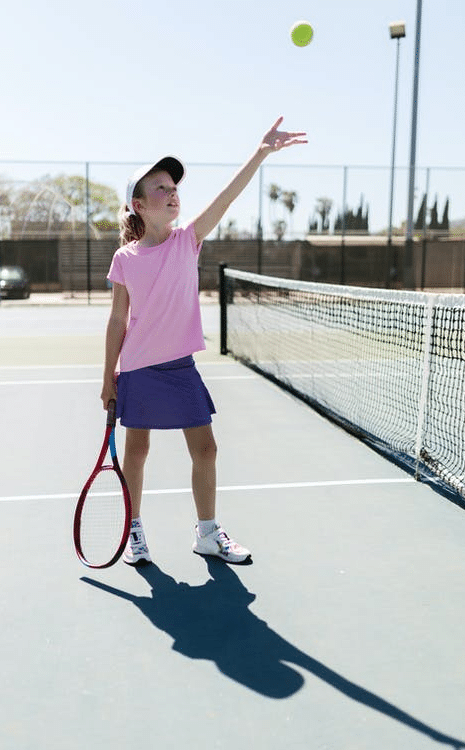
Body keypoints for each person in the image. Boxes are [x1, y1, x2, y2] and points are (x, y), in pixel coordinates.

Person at [101, 116, 307, 566]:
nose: (171, 191)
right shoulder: (125, 259)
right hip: (137, 368)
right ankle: (134, 529)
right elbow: (118, 321)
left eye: (174, 185)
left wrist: (261, 152)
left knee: (206, 449)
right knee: (136, 452)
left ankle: (208, 534)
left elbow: (226, 197)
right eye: (160, 187)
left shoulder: (187, 240)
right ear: (138, 204)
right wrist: (107, 379)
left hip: (181, 368)